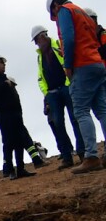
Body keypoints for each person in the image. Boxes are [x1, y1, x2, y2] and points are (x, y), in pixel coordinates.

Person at [49, 0, 106, 173]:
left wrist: (68, 65)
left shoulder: (65, 11)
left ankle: (91, 156)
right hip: (97, 63)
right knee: (102, 110)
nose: (55, 18)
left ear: (55, 5)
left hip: (82, 65)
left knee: (81, 110)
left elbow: (69, 38)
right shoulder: (81, 11)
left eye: (53, 14)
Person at [32, 24, 84, 168]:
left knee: (76, 119)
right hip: (53, 93)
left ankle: (82, 153)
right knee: (58, 123)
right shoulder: (40, 57)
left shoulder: (57, 45)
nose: (37, 43)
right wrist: (46, 93)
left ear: (42, 36)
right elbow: (41, 78)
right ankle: (67, 156)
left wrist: (71, 82)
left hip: (67, 87)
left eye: (37, 40)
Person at [0, 56, 37, 180]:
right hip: (3, 115)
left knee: (19, 141)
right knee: (8, 142)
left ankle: (21, 168)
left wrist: (19, 112)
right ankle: (10, 170)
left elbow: (15, 98)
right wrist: (5, 85)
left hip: (15, 114)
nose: (4, 65)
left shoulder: (6, 79)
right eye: (1, 63)